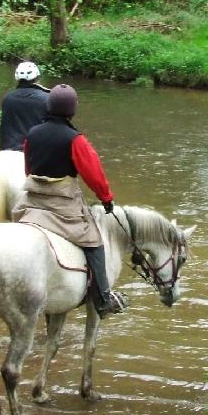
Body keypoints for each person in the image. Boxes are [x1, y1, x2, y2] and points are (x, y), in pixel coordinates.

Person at [15, 84, 128, 318]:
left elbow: (28, 169)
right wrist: (106, 199)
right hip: (62, 204)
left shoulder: (32, 134)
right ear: (72, 110)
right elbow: (94, 174)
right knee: (94, 242)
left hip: (32, 201)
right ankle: (103, 299)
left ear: (49, 106)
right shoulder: (75, 140)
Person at [0, 60, 50, 151]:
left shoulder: (7, 98)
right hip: (34, 152)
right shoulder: (47, 98)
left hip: (8, 149)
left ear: (17, 78)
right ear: (37, 77)